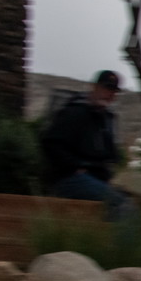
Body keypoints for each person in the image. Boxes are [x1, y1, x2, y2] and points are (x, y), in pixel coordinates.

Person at [41, 69, 129, 216]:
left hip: (95, 180)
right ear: (94, 87)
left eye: (114, 91)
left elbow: (110, 155)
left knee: (130, 202)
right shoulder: (75, 112)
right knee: (122, 205)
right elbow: (51, 143)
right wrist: (74, 167)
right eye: (107, 88)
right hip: (70, 178)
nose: (110, 94)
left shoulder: (106, 119)